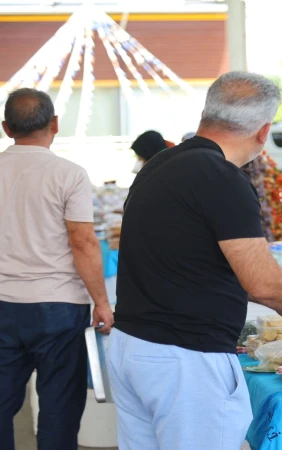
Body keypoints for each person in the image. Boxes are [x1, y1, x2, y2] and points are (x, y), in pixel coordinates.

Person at [107, 72, 282, 450]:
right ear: (264, 132)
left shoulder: (159, 166)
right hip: (185, 358)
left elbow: (190, 264)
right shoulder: (220, 176)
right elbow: (262, 281)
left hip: (134, 345)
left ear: (207, 113)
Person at [0, 88, 114, 450]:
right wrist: (102, 302)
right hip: (59, 308)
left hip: (2, 304)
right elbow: (82, 241)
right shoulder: (69, 174)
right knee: (58, 409)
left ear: (6, 128)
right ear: (54, 124)